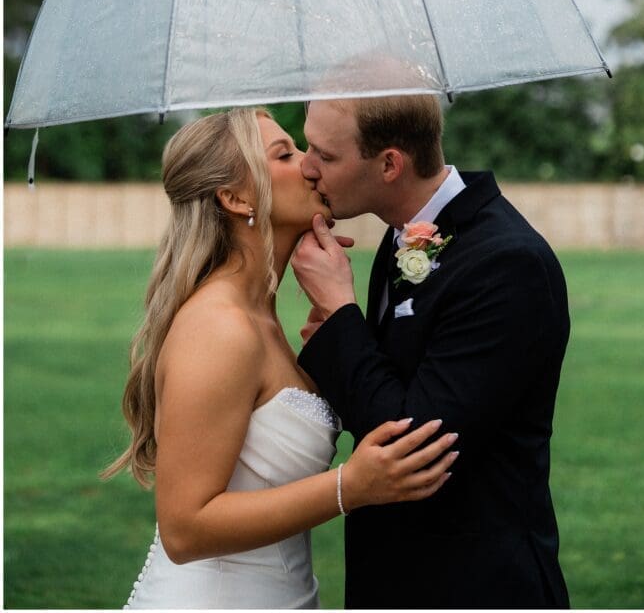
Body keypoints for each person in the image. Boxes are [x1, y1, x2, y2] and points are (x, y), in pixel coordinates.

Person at [103, 107, 455, 610]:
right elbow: (184, 529)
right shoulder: (220, 327)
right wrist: (348, 487)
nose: (311, 165)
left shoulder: (262, 319)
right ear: (235, 197)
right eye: (285, 154)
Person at [292, 94, 571, 610]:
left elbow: (414, 447)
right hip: (395, 578)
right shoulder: (403, 237)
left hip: (473, 585)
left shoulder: (508, 263)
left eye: (325, 155)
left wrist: (339, 315)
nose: (307, 168)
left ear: (390, 164)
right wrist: (342, 340)